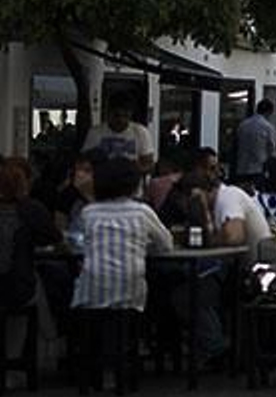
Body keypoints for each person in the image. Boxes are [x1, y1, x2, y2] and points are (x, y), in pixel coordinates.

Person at [71, 157, 173, 313]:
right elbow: (166, 244)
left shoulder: (89, 212)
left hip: (92, 292)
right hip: (130, 293)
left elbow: (79, 244)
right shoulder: (142, 212)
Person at [0, 157, 62, 334]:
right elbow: (56, 239)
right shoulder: (32, 209)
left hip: (12, 285)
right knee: (37, 282)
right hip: (17, 290)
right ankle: (47, 336)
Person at [82, 99, 155, 176]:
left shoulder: (140, 132)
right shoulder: (95, 133)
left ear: (130, 114)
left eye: (125, 116)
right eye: (117, 115)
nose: (121, 120)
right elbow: (84, 163)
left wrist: (132, 169)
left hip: (131, 184)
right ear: (109, 114)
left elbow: (149, 165)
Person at [232, 98, 276, 190]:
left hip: (241, 169)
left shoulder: (242, 125)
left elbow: (236, 145)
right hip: (259, 170)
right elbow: (272, 149)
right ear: (269, 112)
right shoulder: (268, 127)